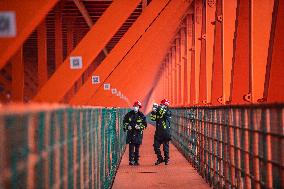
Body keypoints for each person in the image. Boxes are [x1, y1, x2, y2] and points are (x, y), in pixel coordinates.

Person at [123, 101, 147, 166]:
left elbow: (145, 125)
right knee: (131, 147)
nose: (135, 107)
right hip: (131, 133)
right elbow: (124, 122)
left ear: (139, 107)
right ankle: (131, 161)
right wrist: (128, 126)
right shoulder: (129, 114)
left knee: (137, 148)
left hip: (138, 134)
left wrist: (139, 127)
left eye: (137, 106)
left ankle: (136, 160)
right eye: (135, 106)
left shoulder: (142, 115)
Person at [150, 99, 172, 165]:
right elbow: (153, 118)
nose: (161, 106)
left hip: (166, 132)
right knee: (156, 146)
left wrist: (158, 107)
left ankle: (166, 159)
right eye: (161, 105)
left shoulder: (168, 112)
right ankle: (160, 158)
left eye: (163, 105)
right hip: (158, 132)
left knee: (166, 147)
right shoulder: (158, 111)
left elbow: (164, 113)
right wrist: (153, 112)